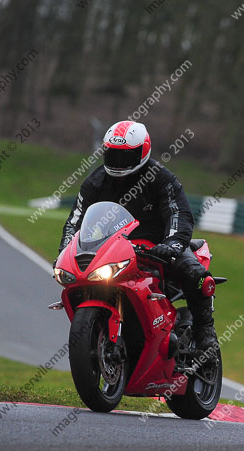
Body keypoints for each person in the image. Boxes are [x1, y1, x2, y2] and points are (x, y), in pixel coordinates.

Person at [57, 120, 219, 356]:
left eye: (125, 156)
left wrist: (172, 245)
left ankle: (206, 332)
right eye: (112, 155)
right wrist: (65, 251)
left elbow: (178, 213)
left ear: (143, 152)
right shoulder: (95, 182)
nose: (117, 163)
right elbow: (75, 221)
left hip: (157, 245)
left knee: (194, 273)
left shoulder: (161, 178)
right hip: (111, 248)